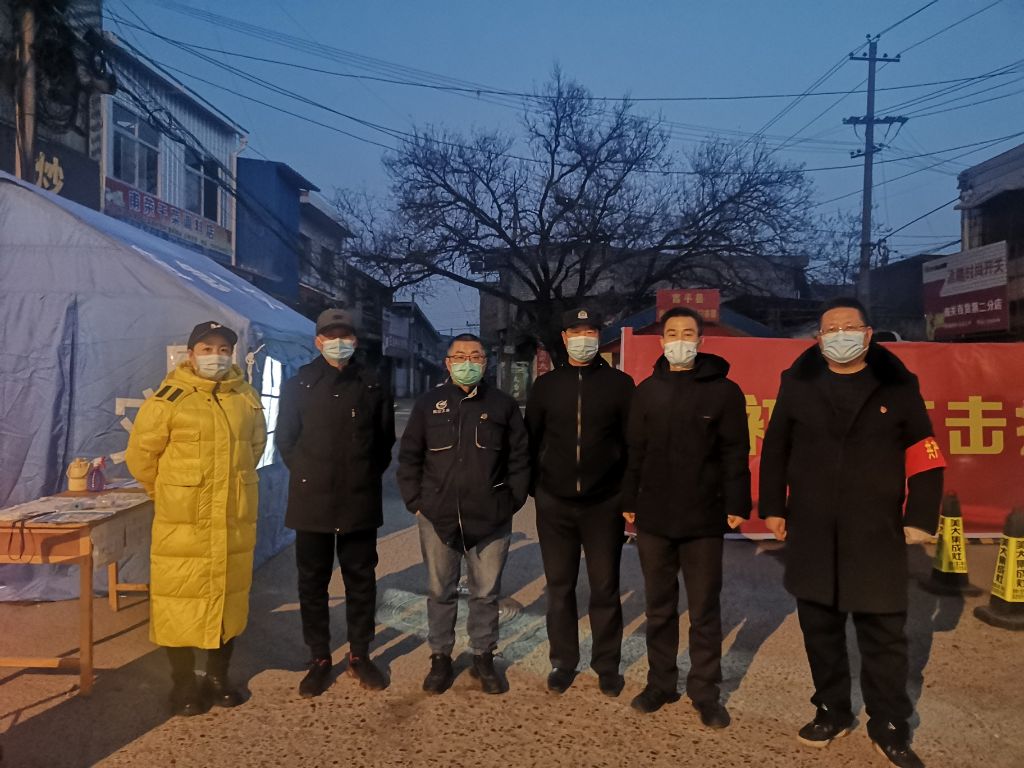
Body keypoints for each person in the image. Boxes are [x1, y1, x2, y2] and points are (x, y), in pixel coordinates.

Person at [759, 297, 944, 768]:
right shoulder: (797, 383)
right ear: (819, 339)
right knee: (819, 630)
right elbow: (776, 446)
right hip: (812, 526)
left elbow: (925, 452)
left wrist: (921, 516)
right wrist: (773, 507)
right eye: (830, 329)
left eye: (848, 326)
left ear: (866, 334)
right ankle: (831, 710)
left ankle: (890, 724)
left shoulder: (897, 385)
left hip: (875, 528)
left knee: (883, 633)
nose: (839, 335)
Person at [127, 321, 266, 716]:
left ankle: (219, 678)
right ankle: (184, 683)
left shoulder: (245, 397)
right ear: (190, 354)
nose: (215, 356)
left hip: (232, 519)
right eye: (207, 349)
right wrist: (169, 493)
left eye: (223, 349)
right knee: (178, 603)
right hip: (183, 523)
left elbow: (255, 447)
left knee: (228, 600)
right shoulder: (169, 399)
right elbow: (141, 458)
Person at [622, 307, 749, 728]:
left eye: (688, 333)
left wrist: (737, 503)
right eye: (672, 333)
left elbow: (735, 452)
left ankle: (705, 692)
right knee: (659, 607)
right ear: (661, 342)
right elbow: (634, 451)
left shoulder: (724, 392)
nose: (680, 340)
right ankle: (660, 683)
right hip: (654, 517)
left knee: (704, 609)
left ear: (700, 340)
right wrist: (629, 499)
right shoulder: (646, 391)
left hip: (704, 518)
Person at [397, 333, 529, 695]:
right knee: (440, 590)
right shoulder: (429, 404)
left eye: (475, 356)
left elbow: (520, 457)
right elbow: (409, 456)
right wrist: (416, 501)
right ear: (448, 362)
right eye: (460, 357)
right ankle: (440, 656)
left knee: (485, 593)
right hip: (437, 518)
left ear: (485, 363)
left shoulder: (503, 405)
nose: (467, 363)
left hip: (491, 519)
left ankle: (483, 655)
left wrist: (511, 501)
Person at [276, 308, 395, 698]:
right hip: (311, 502)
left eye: (345, 336)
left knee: (361, 581)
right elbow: (285, 440)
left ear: (355, 341)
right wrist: (309, 475)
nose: (338, 342)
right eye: (331, 336)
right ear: (318, 341)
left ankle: (360, 654)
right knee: (312, 583)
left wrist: (363, 475)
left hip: (359, 501)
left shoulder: (372, 384)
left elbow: (384, 442)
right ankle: (319, 657)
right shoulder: (299, 384)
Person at [524, 307, 634, 696]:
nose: (583, 338)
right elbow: (530, 440)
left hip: (604, 503)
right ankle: (563, 661)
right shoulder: (546, 386)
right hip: (554, 504)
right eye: (576, 331)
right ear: (565, 337)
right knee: (559, 586)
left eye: (590, 331)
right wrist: (535, 489)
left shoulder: (621, 385)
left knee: (605, 587)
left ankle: (607, 664)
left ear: (599, 337)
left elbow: (633, 445)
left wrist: (627, 494)